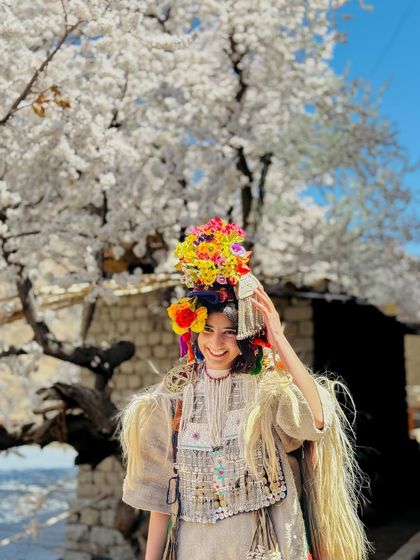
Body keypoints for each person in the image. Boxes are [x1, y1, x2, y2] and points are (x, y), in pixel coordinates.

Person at [118, 217, 373, 560]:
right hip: (195, 550)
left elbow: (318, 419)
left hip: (265, 548)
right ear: (193, 332)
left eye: (229, 332)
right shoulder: (169, 404)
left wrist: (279, 339)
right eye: (207, 330)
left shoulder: (267, 394)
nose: (217, 343)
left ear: (246, 337)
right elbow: (159, 500)